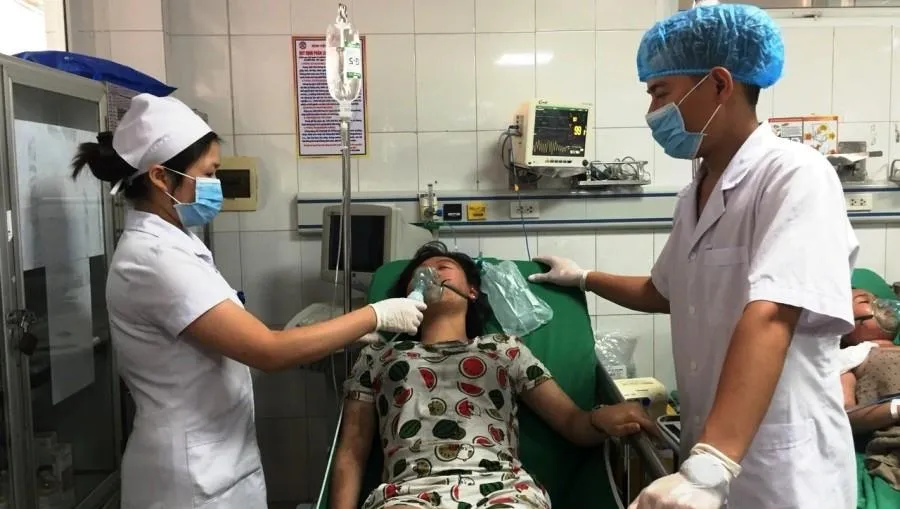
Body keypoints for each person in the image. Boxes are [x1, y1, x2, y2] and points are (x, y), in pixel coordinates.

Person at [530, 4, 857, 509]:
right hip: (710, 449)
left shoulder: (795, 175)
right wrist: (584, 277)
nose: (651, 112)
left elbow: (773, 313)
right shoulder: (694, 194)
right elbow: (663, 292)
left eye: (660, 92)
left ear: (719, 84)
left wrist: (712, 465)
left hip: (778, 463)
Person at [71, 94, 427, 509]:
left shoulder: (177, 245)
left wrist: (342, 332)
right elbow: (267, 351)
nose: (216, 185)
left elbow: (237, 338)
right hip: (187, 479)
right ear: (160, 177)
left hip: (217, 460)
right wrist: (374, 315)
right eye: (208, 173)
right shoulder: (153, 259)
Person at [330, 241, 655, 509]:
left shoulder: (503, 350)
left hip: (502, 490)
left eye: (443, 267)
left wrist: (601, 418)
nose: (431, 273)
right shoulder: (378, 356)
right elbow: (351, 452)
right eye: (421, 273)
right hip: (408, 494)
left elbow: (572, 423)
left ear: (472, 291)